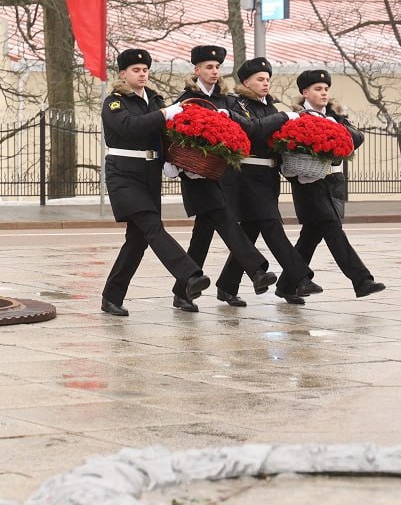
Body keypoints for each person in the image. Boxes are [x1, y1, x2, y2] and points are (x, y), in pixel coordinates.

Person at [100, 48, 210, 317]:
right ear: (123, 74)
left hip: (149, 173)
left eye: (145, 70)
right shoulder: (114, 102)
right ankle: (190, 274)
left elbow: (166, 133)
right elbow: (129, 127)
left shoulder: (154, 100)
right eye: (136, 70)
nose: (142, 74)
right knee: (152, 226)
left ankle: (111, 296)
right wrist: (164, 114)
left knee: (137, 240)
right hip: (123, 174)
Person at [166, 45, 277, 313]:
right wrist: (173, 164)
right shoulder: (187, 99)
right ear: (197, 70)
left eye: (216, 68)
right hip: (195, 174)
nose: (214, 72)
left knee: (203, 234)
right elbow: (172, 133)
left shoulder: (227, 100)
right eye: (208, 67)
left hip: (219, 174)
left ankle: (184, 290)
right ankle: (257, 270)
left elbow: (238, 128)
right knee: (226, 222)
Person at [217, 57, 323, 305]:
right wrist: (285, 118)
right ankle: (300, 277)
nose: (266, 84)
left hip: (267, 177)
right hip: (246, 177)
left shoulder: (270, 108)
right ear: (246, 82)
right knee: (272, 225)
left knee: (252, 230)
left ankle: (226, 286)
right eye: (260, 80)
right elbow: (252, 129)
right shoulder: (238, 103)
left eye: (267, 80)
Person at [288, 69, 386, 297]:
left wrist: (337, 127)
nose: (323, 93)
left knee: (310, 237)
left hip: (333, 183)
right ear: (305, 92)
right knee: (333, 230)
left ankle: (287, 285)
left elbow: (357, 137)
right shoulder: (297, 118)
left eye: (325, 89)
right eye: (317, 89)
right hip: (309, 183)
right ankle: (361, 280)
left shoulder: (335, 117)